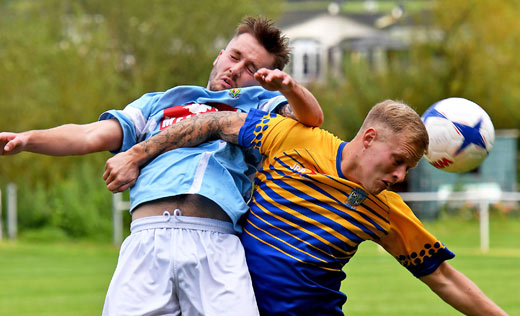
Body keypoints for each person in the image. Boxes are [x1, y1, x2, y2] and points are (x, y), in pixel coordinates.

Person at [0, 16, 324, 316]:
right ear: (220, 55)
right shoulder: (161, 102)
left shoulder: (259, 107)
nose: (237, 69)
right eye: (235, 56)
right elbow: (90, 134)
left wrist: (288, 87)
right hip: (146, 242)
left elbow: (311, 119)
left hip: (217, 243)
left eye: (252, 67)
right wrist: (28, 139)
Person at [104, 100, 508, 316]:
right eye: (397, 161)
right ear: (368, 137)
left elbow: (444, 278)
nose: (400, 176)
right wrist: (136, 154)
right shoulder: (293, 138)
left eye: (409, 168)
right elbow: (213, 123)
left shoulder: (386, 209)